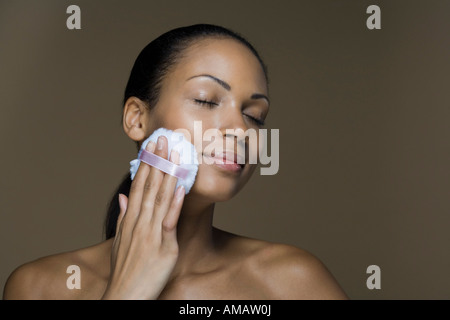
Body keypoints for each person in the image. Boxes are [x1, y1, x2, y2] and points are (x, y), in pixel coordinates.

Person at [3, 24, 348, 300]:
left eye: (255, 116)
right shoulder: (40, 287)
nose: (240, 129)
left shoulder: (292, 282)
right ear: (137, 119)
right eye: (206, 100)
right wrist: (127, 293)